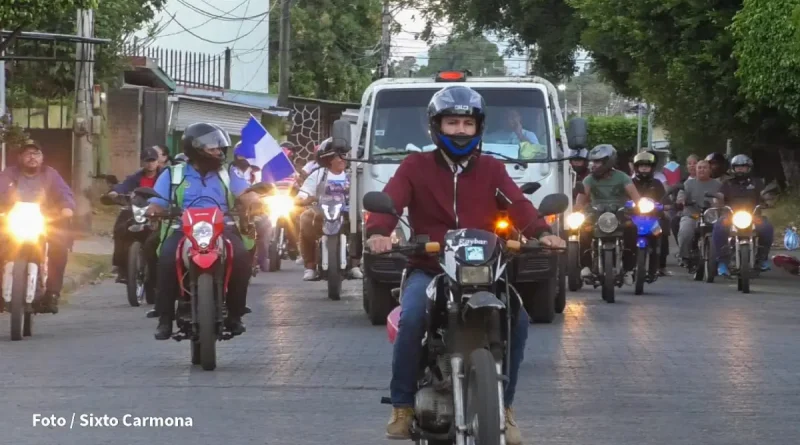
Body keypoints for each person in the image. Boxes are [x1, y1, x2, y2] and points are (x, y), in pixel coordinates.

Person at [365, 85, 565, 445]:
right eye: (452, 122)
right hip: (429, 266)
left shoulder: (492, 168)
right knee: (412, 316)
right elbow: (389, 200)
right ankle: (402, 405)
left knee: (517, 320)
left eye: (467, 123)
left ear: (478, 127)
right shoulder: (415, 166)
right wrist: (379, 233)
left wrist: (542, 232)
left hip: (485, 270)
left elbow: (518, 204)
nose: (460, 130)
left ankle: (504, 408)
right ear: (436, 127)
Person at [147, 123, 261, 340]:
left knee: (241, 259)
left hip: (223, 228)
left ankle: (236, 315)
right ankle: (164, 318)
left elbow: (246, 193)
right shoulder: (173, 173)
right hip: (182, 229)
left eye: (220, 148)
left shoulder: (228, 173)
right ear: (195, 148)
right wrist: (154, 210)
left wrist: (254, 201)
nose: (219, 152)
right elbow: (158, 202)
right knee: (166, 260)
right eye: (213, 148)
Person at [0, 139, 75, 313]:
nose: (32, 157)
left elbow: (64, 192)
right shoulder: (9, 174)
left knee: (59, 248)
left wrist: (66, 207)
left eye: (36, 153)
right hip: (13, 222)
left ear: (42, 157)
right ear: (20, 157)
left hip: (45, 222)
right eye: (27, 153)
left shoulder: (51, 174)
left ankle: (52, 294)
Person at [296, 137, 363, 281]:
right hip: (322, 211)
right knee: (305, 218)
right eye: (338, 155)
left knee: (361, 223)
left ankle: (355, 265)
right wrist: (302, 199)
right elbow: (304, 192)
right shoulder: (318, 174)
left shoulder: (354, 175)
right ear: (328, 159)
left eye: (344, 155)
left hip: (347, 212)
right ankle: (310, 266)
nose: (342, 159)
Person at [575, 144, 642, 284]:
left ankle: (629, 269)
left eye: (598, 162)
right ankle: (586, 266)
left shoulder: (623, 178)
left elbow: (636, 197)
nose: (594, 165)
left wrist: (640, 206)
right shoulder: (589, 179)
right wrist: (576, 209)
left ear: (608, 161)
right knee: (583, 229)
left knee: (632, 229)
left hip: (619, 213)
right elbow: (580, 201)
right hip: (595, 213)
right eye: (593, 162)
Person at [107, 147, 163, 282]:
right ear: (142, 162)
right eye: (147, 161)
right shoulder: (135, 177)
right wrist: (115, 192)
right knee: (121, 228)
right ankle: (121, 267)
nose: (150, 164)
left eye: (153, 160)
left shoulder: (165, 176)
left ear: (158, 162)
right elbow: (123, 186)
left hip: (159, 211)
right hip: (138, 209)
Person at [711, 154, 774, 275]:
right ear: (733, 168)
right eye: (737, 167)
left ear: (749, 168)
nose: (740, 169)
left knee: (767, 227)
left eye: (743, 167)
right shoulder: (727, 183)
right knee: (718, 227)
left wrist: (768, 200)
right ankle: (722, 262)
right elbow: (720, 196)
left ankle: (762, 258)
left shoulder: (757, 182)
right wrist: (717, 201)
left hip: (754, 216)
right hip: (730, 216)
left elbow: (764, 194)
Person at [631, 151, 671, 276]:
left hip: (653, 217)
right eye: (641, 165)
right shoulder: (630, 183)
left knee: (662, 228)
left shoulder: (657, 183)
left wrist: (665, 206)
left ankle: (661, 264)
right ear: (636, 167)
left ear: (652, 168)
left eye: (647, 166)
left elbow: (666, 200)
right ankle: (624, 262)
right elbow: (622, 198)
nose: (644, 168)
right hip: (633, 217)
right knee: (623, 231)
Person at [675, 160, 721, 263]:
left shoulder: (717, 184)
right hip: (693, 215)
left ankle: (723, 258)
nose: (702, 170)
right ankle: (684, 257)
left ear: (710, 170)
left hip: (712, 217)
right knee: (685, 232)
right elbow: (681, 196)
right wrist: (682, 200)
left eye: (705, 167)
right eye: (699, 168)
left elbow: (724, 198)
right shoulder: (688, 183)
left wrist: (719, 202)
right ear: (695, 170)